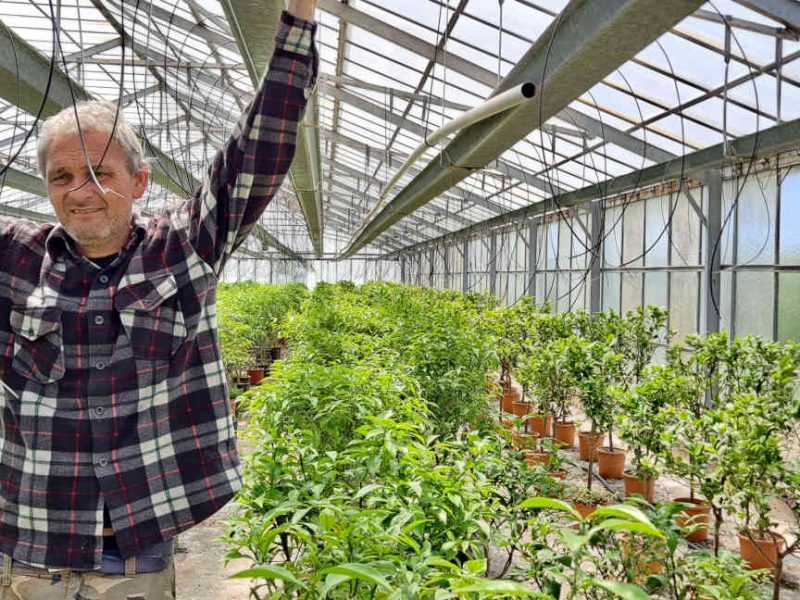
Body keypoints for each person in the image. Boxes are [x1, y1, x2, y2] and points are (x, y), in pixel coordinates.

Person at [0, 0, 317, 597]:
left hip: (135, 555)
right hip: (29, 549)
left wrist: (298, 20)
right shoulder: (15, 261)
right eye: (63, 178)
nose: (82, 192)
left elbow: (257, 155)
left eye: (101, 173)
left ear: (139, 181)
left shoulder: (182, 248)